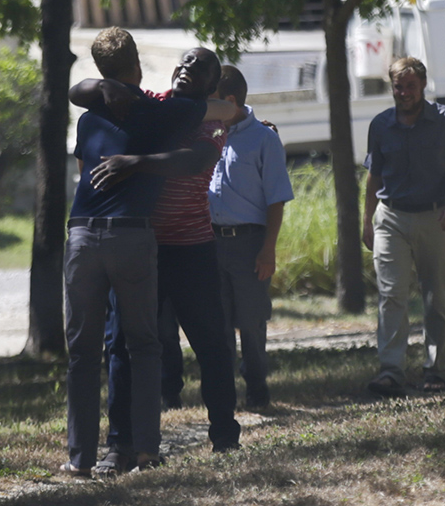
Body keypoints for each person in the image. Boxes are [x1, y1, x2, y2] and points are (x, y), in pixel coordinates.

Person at [61, 28, 236, 477]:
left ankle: (223, 434)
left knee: (210, 342)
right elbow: (84, 93)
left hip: (190, 245)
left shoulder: (207, 120)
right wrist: (101, 86)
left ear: (212, 85)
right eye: (182, 62)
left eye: (197, 68)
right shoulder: (154, 105)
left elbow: (193, 162)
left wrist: (134, 163)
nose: (184, 69)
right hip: (144, 243)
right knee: (128, 343)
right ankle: (126, 444)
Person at [361, 56, 445, 397]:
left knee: (435, 296)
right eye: (398, 86)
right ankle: (391, 370)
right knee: (391, 294)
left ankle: (435, 369)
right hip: (391, 218)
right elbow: (373, 175)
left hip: (434, 217)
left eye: (410, 86)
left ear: (423, 85)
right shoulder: (381, 125)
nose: (404, 92)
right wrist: (367, 220)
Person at [208, 65, 294, 409]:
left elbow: (276, 199)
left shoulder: (263, 138)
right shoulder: (208, 134)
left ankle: (257, 387)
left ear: (230, 101)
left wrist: (267, 250)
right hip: (211, 241)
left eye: (212, 101)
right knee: (219, 321)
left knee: (252, 321)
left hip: (248, 243)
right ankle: (224, 393)